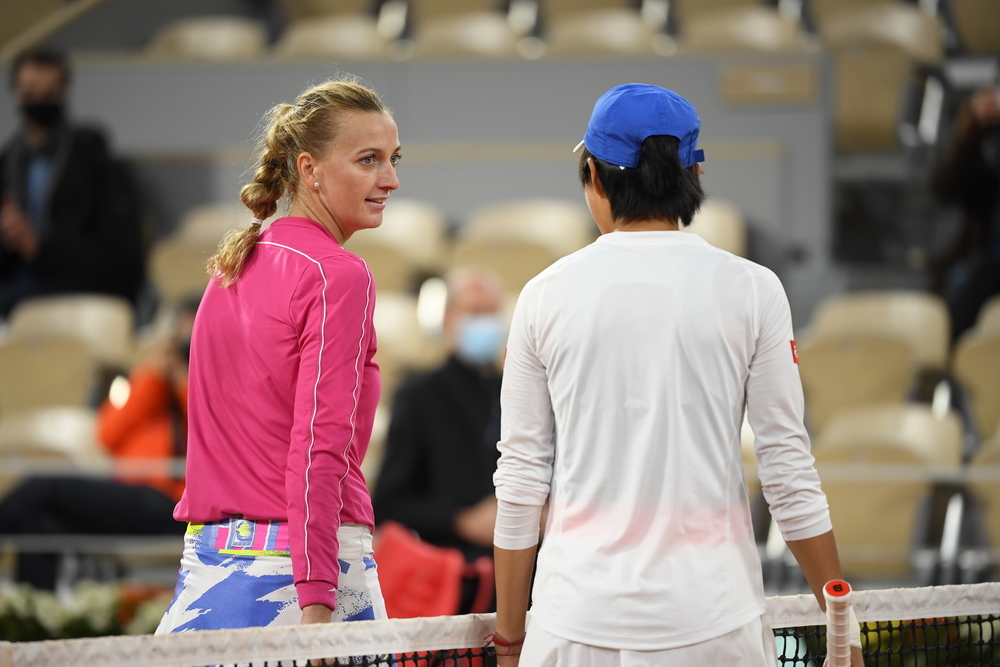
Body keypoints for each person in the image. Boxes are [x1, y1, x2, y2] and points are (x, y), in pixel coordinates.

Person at [491, 84, 863, 666]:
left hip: (573, 625)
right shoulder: (755, 289)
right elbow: (788, 472)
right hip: (718, 625)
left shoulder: (542, 297)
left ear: (594, 176)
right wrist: (845, 631)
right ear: (694, 174)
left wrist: (510, 639)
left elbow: (520, 480)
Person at [156, 77, 399, 635]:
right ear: (310, 169)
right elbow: (319, 444)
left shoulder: (231, 267)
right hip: (307, 574)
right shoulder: (339, 275)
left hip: (209, 567)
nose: (390, 179)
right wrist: (317, 596)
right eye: (368, 160)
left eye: (392, 159)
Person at [0, 297, 196, 590]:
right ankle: (33, 612)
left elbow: (208, 438)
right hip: (126, 495)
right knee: (39, 524)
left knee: (45, 486)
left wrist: (186, 382)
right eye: (180, 341)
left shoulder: (208, 389)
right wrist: (153, 377)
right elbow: (107, 434)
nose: (184, 350)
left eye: (192, 342)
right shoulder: (152, 387)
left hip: (173, 503)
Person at [373, 267, 505, 572]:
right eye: (474, 312)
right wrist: (461, 521)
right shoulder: (419, 395)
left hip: (518, 566)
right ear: (447, 318)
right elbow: (390, 504)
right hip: (448, 568)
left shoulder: (518, 390)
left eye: (490, 313)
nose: (484, 323)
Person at [0, 48, 144, 319]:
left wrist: (39, 248)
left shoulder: (95, 162)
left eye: (49, 93)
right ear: (17, 95)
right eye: (30, 92)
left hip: (85, 293)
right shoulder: (9, 162)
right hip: (19, 291)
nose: (39, 102)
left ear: (64, 94)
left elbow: (120, 256)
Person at [931, 87, 1000, 340]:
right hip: (986, 262)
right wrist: (970, 131)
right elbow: (943, 188)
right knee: (946, 325)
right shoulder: (988, 138)